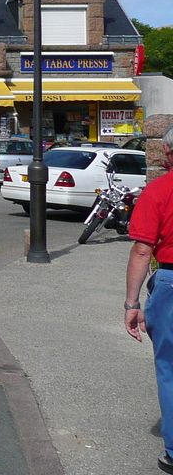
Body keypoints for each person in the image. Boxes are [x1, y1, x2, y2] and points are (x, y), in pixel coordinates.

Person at [125, 126, 173, 473]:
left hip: (171, 282)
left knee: (170, 367)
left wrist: (132, 304)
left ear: (168, 153)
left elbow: (143, 250)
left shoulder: (158, 190)